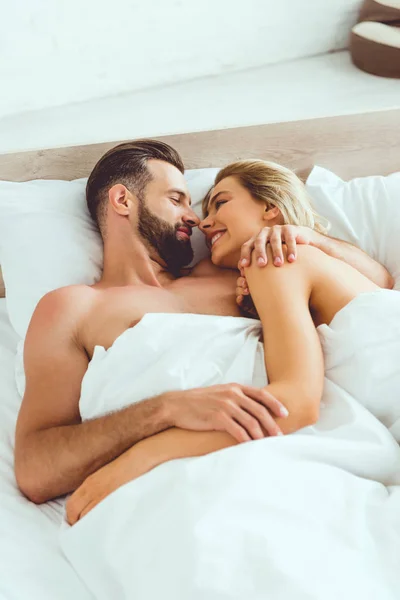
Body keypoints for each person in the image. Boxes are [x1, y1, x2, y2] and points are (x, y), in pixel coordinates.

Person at [14, 140, 392, 510]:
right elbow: (35, 470)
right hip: (184, 493)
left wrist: (310, 238)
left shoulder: (242, 271)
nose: (196, 217)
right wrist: (165, 409)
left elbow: (374, 288)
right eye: (177, 199)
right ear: (122, 200)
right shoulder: (73, 308)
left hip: (307, 456)